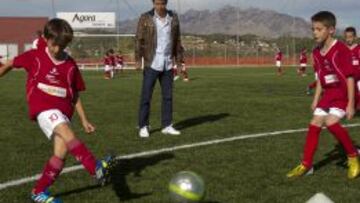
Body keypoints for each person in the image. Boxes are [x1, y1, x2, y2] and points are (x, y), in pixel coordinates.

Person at [0, 18, 113, 203]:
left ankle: (38, 192)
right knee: (65, 131)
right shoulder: (35, 55)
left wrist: (84, 119)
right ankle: (95, 167)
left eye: (63, 45)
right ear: (45, 38)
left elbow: (75, 94)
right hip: (42, 107)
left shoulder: (70, 65)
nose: (57, 49)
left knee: (60, 155)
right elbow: (11, 63)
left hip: (63, 111)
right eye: (54, 45)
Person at [287, 11, 360, 179]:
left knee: (331, 122)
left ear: (331, 30)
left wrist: (350, 103)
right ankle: (306, 165)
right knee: (314, 123)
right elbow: (321, 78)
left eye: (319, 29)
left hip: (343, 94)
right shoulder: (316, 52)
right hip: (328, 95)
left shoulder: (341, 49)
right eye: (313, 29)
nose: (315, 33)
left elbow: (349, 77)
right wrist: (315, 99)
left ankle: (353, 156)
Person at [135, 0, 184, 138]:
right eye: (157, 3)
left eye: (162, 3)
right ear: (153, 3)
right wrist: (138, 59)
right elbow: (139, 39)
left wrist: (179, 61)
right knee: (146, 96)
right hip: (152, 63)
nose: (160, 6)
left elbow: (177, 40)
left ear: (166, 3)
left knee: (168, 97)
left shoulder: (173, 17)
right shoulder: (145, 17)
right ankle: (143, 126)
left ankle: (167, 125)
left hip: (168, 63)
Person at [344, 27, 360, 110]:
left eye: (350, 37)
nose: (348, 39)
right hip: (347, 78)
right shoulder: (342, 49)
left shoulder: (358, 49)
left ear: (355, 37)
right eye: (346, 37)